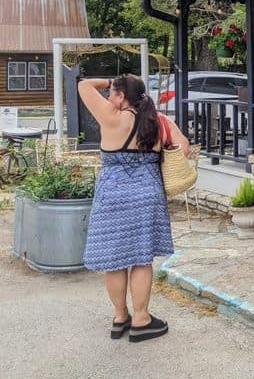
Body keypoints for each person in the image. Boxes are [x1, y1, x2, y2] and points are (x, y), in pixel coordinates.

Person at [78, 73, 189, 343]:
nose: (108, 97)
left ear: (121, 97)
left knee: (114, 261)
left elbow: (83, 85)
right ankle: (141, 319)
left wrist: (108, 81)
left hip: (112, 196)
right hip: (146, 195)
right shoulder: (157, 120)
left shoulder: (110, 116)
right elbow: (184, 148)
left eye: (112, 93)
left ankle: (120, 317)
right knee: (141, 258)